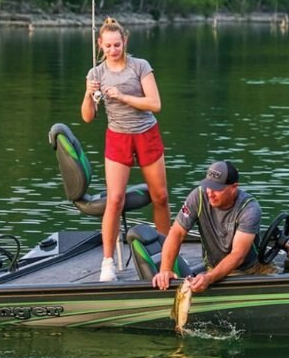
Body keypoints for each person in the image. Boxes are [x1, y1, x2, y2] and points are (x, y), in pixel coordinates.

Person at [81, 17, 171, 282]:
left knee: (160, 196)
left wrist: (122, 96)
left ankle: (168, 255)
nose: (113, 50)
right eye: (108, 45)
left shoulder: (140, 66)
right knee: (115, 199)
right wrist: (88, 94)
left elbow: (155, 104)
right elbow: (87, 117)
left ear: (125, 42)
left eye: (117, 45)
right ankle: (107, 263)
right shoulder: (95, 74)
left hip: (146, 134)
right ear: (100, 44)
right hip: (118, 137)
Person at [151, 160, 275, 292]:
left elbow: (238, 255)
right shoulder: (198, 196)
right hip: (213, 268)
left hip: (251, 268)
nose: (210, 193)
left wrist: (208, 278)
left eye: (217, 188)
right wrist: (165, 270)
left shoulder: (249, 209)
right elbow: (177, 233)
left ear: (233, 187)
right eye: (208, 186)